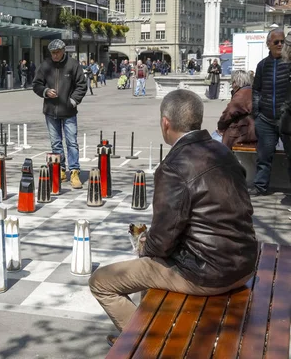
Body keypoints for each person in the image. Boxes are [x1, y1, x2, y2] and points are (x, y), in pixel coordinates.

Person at [89, 89, 258, 346]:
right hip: (244, 262)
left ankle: (144, 343)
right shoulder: (223, 151)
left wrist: (145, 242)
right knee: (150, 264)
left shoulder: (172, 166)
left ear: (165, 123)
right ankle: (147, 325)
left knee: (101, 281)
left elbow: (163, 240)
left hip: (207, 274)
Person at [32, 39, 86, 189]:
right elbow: (36, 84)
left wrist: (73, 101)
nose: (55, 55)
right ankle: (60, 169)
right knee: (56, 143)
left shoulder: (73, 64)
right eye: (52, 53)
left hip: (68, 110)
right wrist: (45, 91)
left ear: (63, 50)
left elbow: (82, 85)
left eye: (57, 52)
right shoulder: (45, 65)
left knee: (72, 142)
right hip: (50, 110)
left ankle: (74, 171)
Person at [250, 28, 291, 196]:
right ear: (268, 44)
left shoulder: (289, 63)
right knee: (264, 157)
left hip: (287, 119)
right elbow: (256, 90)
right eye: (276, 42)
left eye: (282, 41)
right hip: (265, 119)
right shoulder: (262, 65)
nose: (280, 44)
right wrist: (256, 113)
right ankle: (260, 187)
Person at [216, 70, 256, 149]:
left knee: (214, 139)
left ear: (236, 82)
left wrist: (220, 127)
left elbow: (228, 113)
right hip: (252, 129)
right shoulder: (251, 91)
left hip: (242, 131)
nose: (232, 84)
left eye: (232, 82)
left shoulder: (242, 94)